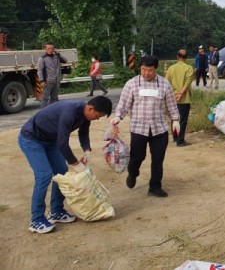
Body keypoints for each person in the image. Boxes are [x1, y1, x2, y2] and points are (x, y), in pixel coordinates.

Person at [18, 96, 112, 234]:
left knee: (61, 171)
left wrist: (86, 150)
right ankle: (36, 219)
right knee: (44, 175)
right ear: (91, 108)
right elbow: (62, 143)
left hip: (50, 140)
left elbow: (83, 132)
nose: (97, 119)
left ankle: (56, 211)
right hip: (31, 139)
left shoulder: (86, 115)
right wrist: (75, 163)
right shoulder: (69, 112)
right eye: (98, 115)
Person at [112, 55, 180, 198]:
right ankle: (133, 172)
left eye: (149, 70)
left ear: (155, 69)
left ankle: (155, 186)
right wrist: (118, 116)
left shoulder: (164, 84)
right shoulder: (131, 84)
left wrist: (175, 119)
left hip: (159, 129)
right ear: (140, 69)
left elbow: (171, 105)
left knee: (158, 159)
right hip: (138, 128)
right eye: (143, 70)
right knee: (138, 157)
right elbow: (124, 104)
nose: (146, 73)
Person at [166, 49, 195, 147]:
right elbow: (187, 83)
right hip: (184, 98)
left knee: (175, 118)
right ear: (186, 58)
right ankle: (180, 141)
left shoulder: (171, 68)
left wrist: (174, 94)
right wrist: (181, 94)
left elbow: (166, 83)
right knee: (182, 119)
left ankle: (175, 137)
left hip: (173, 97)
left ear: (177, 57)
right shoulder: (189, 68)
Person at [37, 42, 67, 108]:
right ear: (45, 49)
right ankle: (43, 113)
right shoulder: (42, 58)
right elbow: (39, 70)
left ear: (54, 49)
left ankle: (51, 112)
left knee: (54, 98)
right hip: (48, 82)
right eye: (48, 48)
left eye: (51, 48)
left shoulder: (56, 57)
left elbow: (65, 60)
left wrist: (58, 53)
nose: (50, 50)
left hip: (57, 81)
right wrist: (41, 80)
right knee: (45, 98)